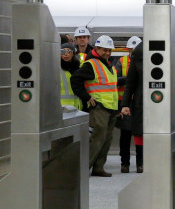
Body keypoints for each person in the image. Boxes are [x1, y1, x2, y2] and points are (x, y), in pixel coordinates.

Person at [70, 35, 119, 177]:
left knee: (106, 140)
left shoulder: (109, 65)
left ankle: (98, 167)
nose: (108, 53)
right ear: (97, 48)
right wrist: (87, 97)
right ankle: (84, 168)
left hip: (111, 108)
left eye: (109, 50)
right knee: (96, 139)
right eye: (105, 50)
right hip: (99, 108)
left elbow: (111, 87)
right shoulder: (91, 64)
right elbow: (75, 79)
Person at [115, 36, 141, 173]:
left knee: (139, 133)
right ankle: (124, 163)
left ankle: (140, 163)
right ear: (128, 50)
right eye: (132, 50)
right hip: (125, 102)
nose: (134, 52)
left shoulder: (145, 61)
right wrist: (129, 79)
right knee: (125, 134)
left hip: (139, 102)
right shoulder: (121, 61)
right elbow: (114, 79)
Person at [59, 42, 82, 110]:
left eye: (69, 51)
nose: (66, 54)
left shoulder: (78, 69)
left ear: (73, 54)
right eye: (63, 51)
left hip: (77, 106)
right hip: (62, 107)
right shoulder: (56, 69)